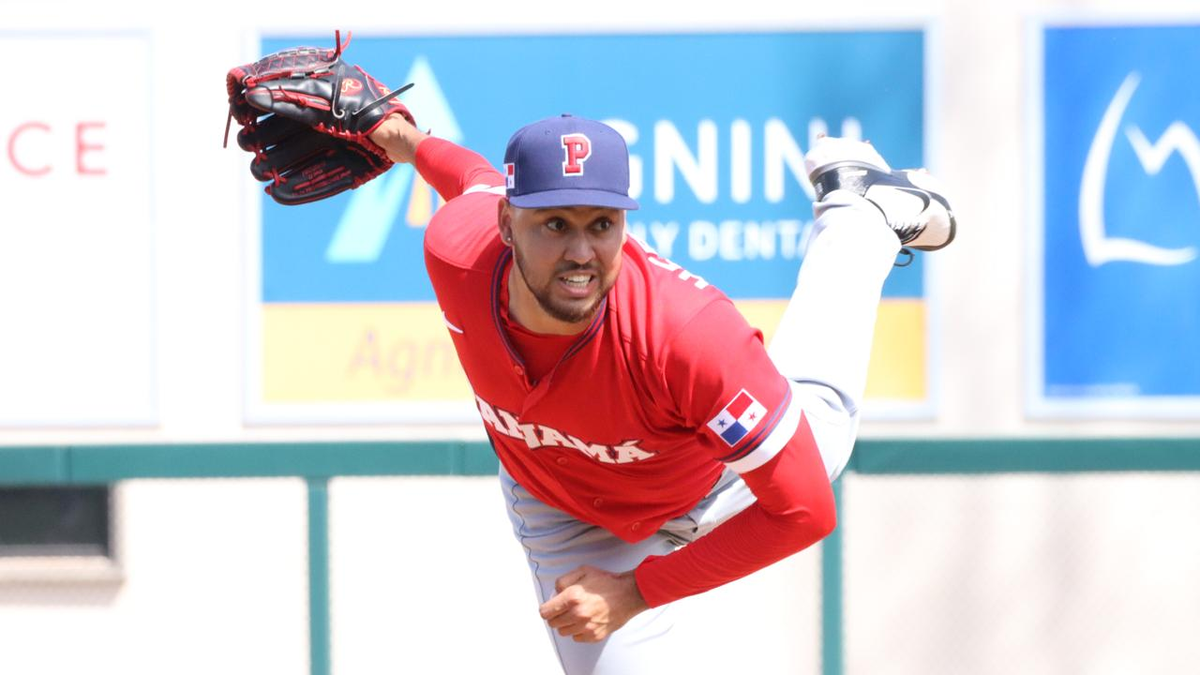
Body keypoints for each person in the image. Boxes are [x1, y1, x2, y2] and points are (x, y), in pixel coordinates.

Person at [363, 111, 954, 673]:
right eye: (554, 224)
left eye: (602, 224)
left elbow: (803, 512)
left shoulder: (684, 334)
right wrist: (404, 141)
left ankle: (860, 213)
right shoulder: (456, 251)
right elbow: (472, 178)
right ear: (505, 224)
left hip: (721, 485)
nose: (581, 253)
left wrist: (636, 592)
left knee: (816, 409)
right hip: (561, 506)